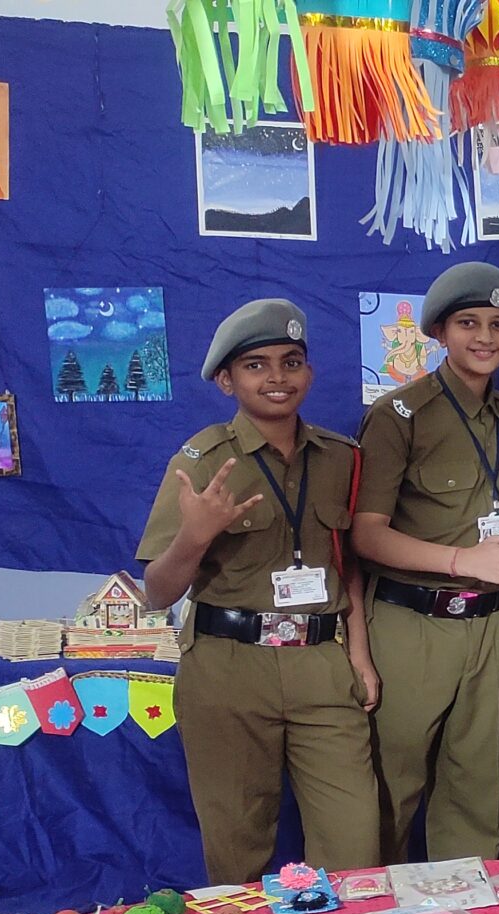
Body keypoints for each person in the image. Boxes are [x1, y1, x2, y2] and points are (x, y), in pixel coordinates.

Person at [139, 299, 378, 884]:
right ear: (227, 380)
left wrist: (360, 655)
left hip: (321, 664)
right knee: (237, 848)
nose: (277, 377)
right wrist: (194, 536)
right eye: (255, 365)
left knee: (354, 846)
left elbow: (346, 563)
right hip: (229, 668)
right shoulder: (202, 462)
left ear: (310, 372)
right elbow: (157, 591)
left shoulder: (342, 458)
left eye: (291, 361)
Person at [354, 262, 499, 861]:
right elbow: (366, 535)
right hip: (413, 624)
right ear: (438, 332)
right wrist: (463, 559)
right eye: (468, 323)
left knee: (475, 795)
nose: (485, 337)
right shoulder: (399, 416)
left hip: (489, 625)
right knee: (390, 790)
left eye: (498, 324)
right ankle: (378, 913)